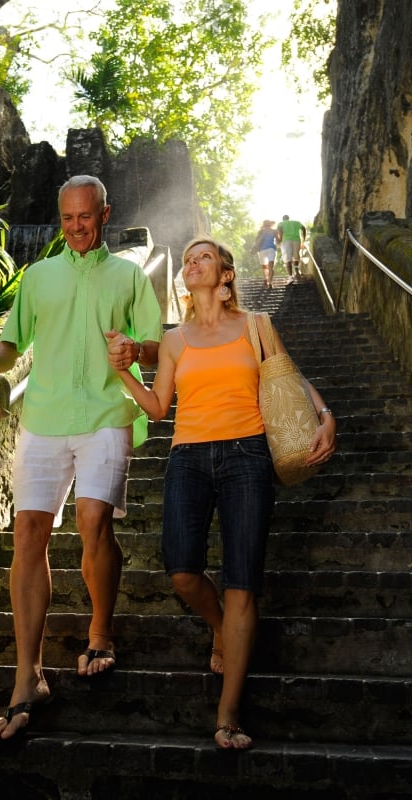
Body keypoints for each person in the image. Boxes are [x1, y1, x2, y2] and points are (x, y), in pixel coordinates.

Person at [107, 235, 336, 750]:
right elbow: (158, 408)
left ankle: (228, 714)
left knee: (241, 582)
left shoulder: (257, 326)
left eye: (203, 256)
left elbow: (288, 380)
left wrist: (326, 416)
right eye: (187, 258)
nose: (192, 262)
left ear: (226, 275)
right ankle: (218, 627)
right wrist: (124, 373)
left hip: (248, 456)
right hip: (189, 456)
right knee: (182, 570)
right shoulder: (172, 340)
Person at [0, 174, 162, 742]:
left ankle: (101, 631)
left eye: (85, 217)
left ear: (105, 214)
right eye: (67, 219)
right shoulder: (38, 276)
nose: (76, 227)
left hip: (108, 412)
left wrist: (137, 349)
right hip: (42, 416)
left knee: (92, 520)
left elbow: (161, 344)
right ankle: (27, 676)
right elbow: (11, 341)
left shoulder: (131, 275)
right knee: (29, 531)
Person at [276, 214, 306, 283]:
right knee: (296, 257)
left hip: (286, 240)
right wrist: (303, 239)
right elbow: (303, 228)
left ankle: (290, 277)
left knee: (287, 259)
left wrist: (279, 241)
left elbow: (280, 232)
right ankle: (297, 272)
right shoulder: (296, 222)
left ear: (283, 219)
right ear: (288, 218)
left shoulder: (281, 223)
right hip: (296, 240)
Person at [251, 220, 277, 289]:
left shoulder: (261, 231)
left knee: (265, 267)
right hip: (271, 249)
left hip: (262, 250)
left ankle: (266, 279)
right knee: (271, 266)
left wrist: (254, 248)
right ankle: (270, 283)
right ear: (270, 224)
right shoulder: (274, 231)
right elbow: (278, 240)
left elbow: (257, 241)